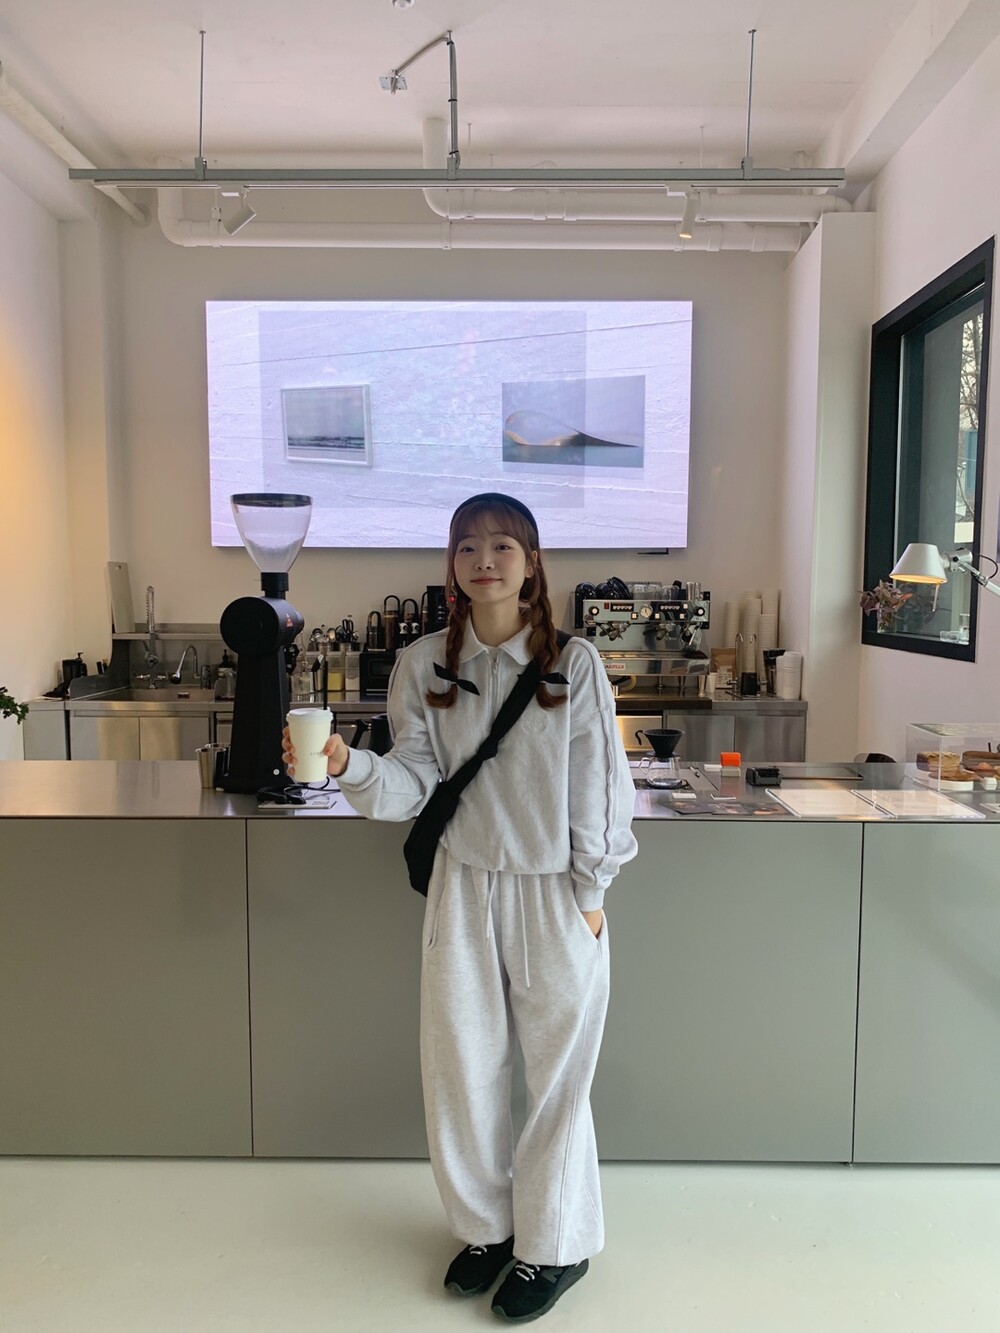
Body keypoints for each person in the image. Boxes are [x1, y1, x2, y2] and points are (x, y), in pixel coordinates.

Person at [283, 492, 637, 1323]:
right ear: (451, 562)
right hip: (463, 885)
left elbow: (600, 786)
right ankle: (486, 1228)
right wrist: (348, 764)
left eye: (503, 545)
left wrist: (591, 894)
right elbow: (413, 781)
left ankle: (555, 1242)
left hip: (554, 892)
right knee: (460, 1069)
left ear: (532, 561)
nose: (485, 560)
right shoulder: (422, 664)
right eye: (468, 546)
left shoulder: (574, 662)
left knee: (557, 1078)